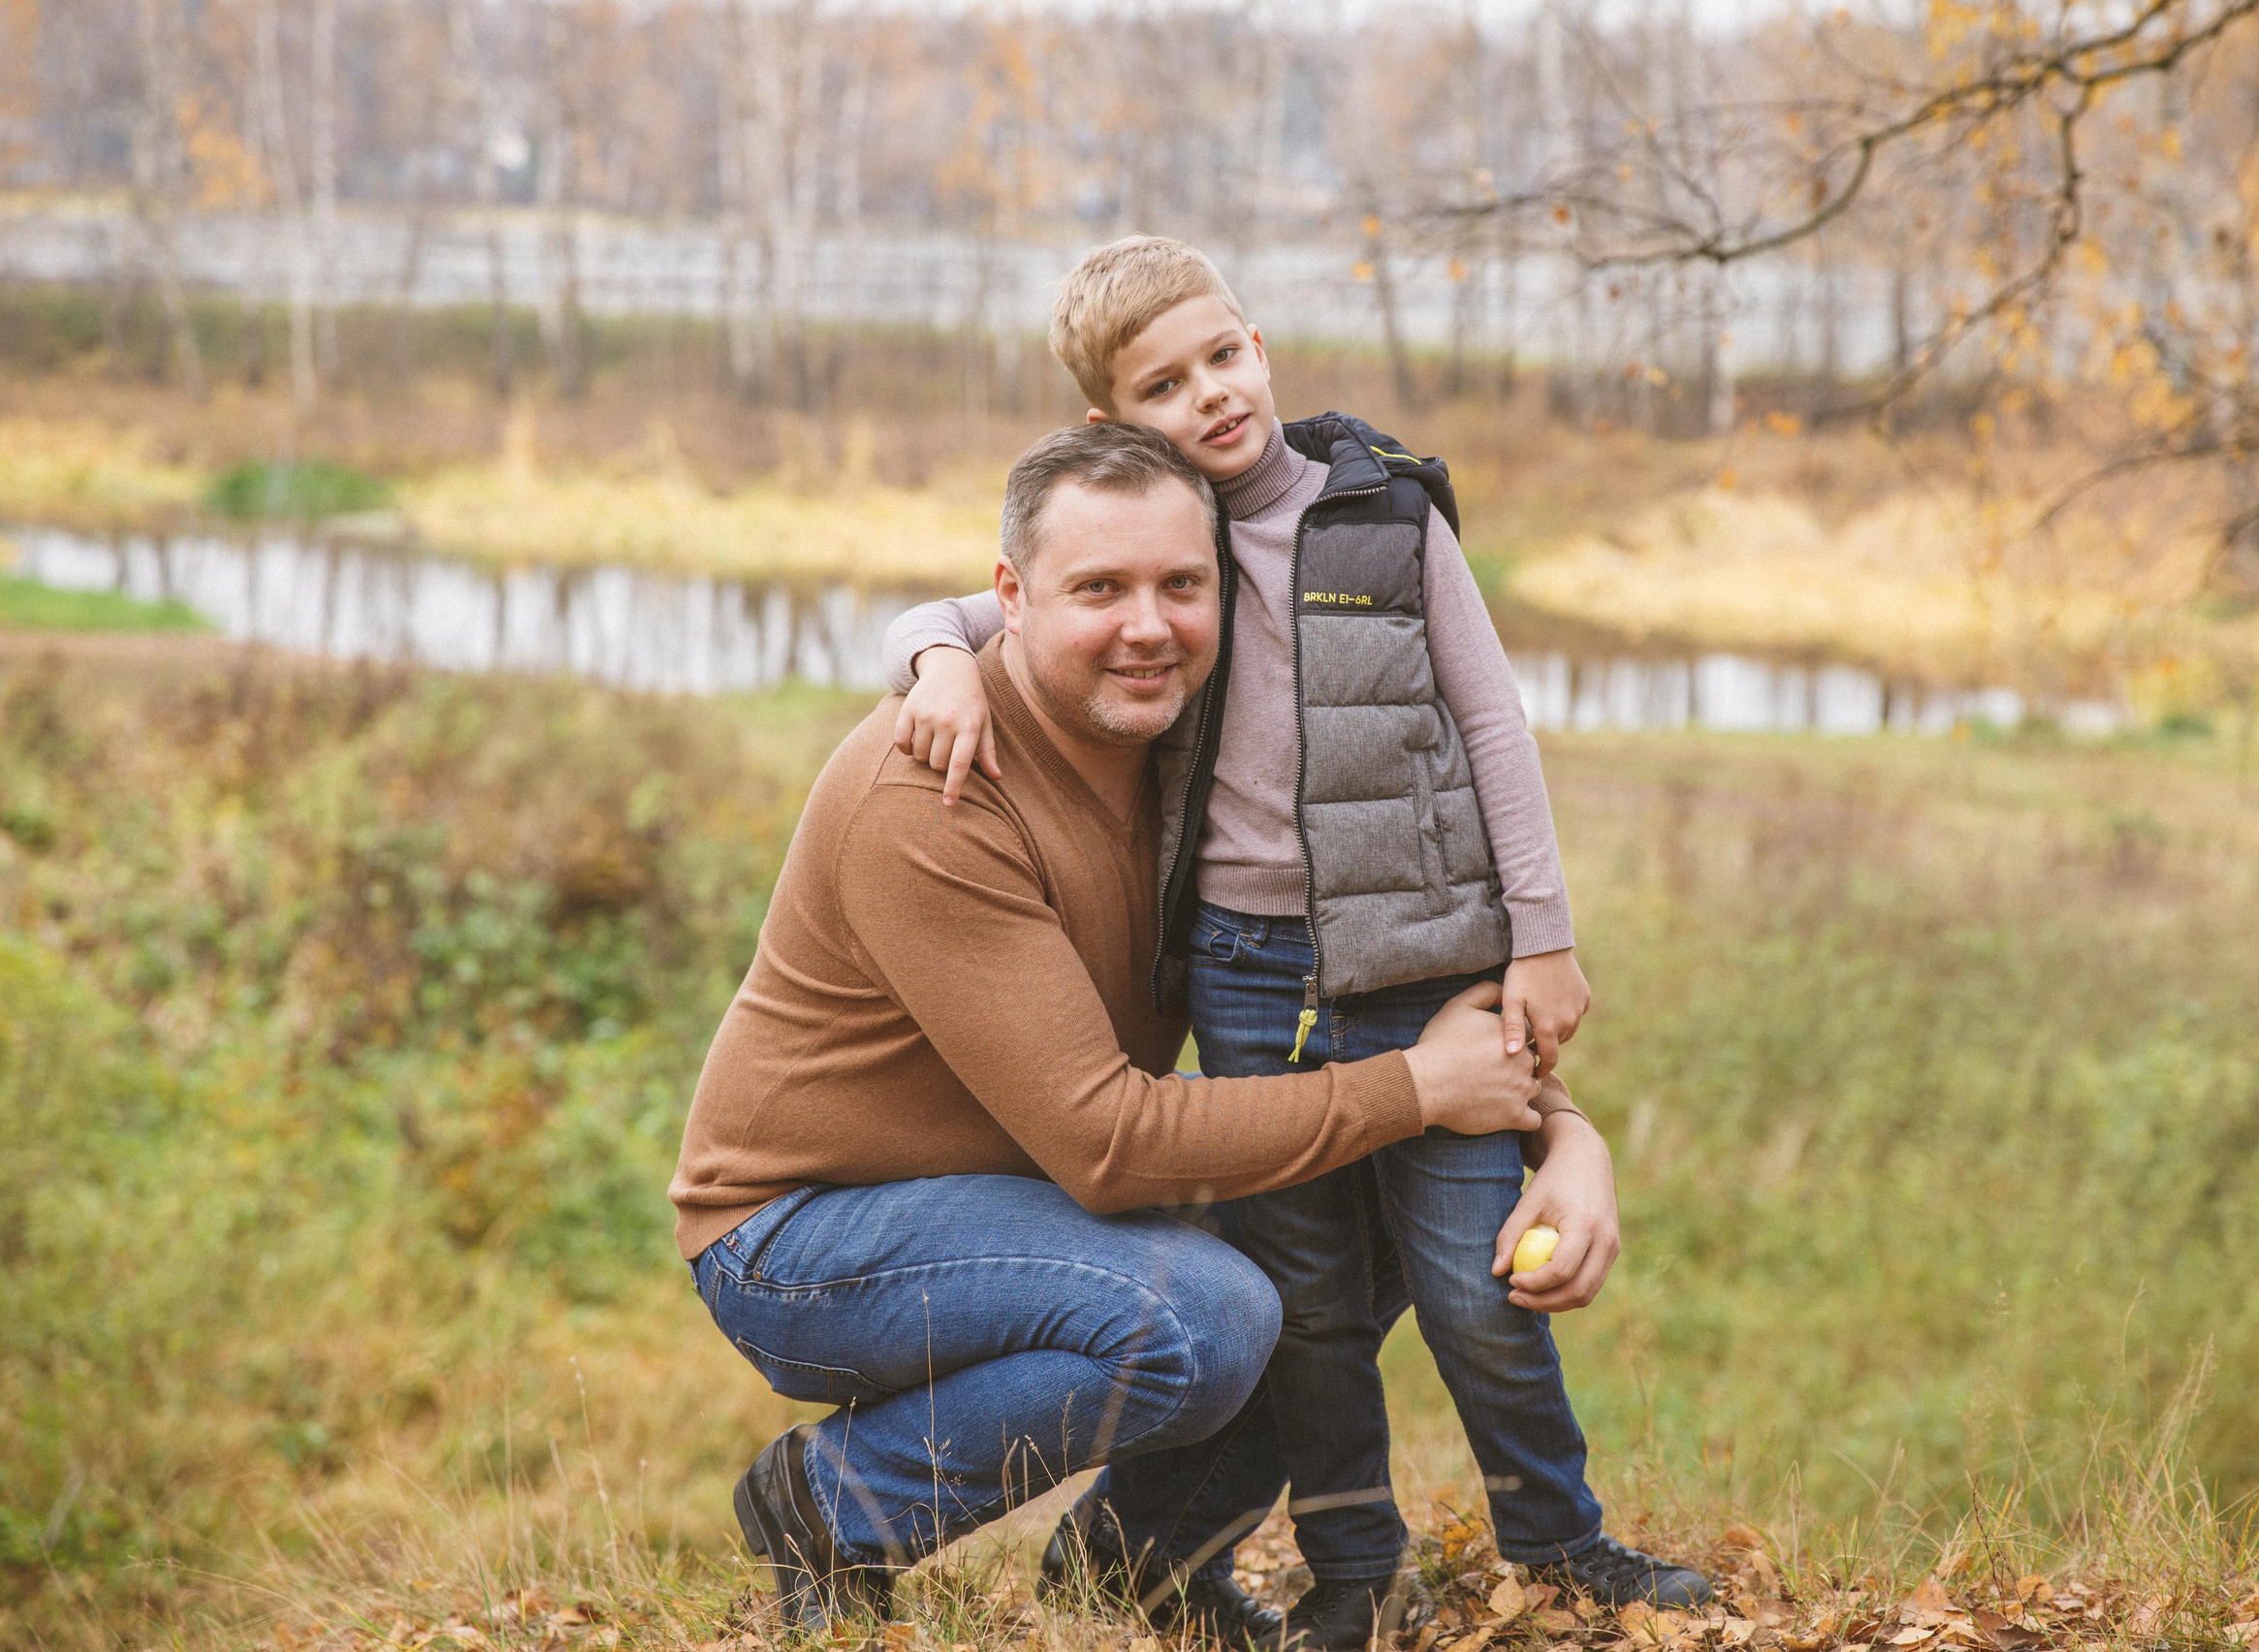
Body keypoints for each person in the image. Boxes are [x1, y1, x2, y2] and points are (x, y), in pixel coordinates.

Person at [878, 237, 1712, 1649]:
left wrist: (1544, 940)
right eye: (1163, 384)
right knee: (1315, 1308)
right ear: (1110, 422)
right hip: (1248, 970)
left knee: (1470, 1287)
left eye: (1222, 355)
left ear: (1259, 345)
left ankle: (1563, 1543)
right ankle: (1351, 1575)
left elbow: (1495, 723)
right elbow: (962, 603)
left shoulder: (1384, 515)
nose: (1209, 394)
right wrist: (937, 662)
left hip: (1426, 963)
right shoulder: (1160, 538)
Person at [668, 421, 1602, 1640]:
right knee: (1205, 1315)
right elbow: (1108, 1142)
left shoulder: (1196, 747)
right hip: (806, 1237)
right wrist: (1418, 1092)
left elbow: (1390, 975)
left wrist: (1560, 1138)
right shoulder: (933, 789)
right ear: (1009, 596)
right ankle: (835, 1505)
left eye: (1180, 585)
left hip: (1027, 1196)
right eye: (1097, 589)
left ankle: (1141, 1566)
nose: (1147, 626)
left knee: (1348, 1215)